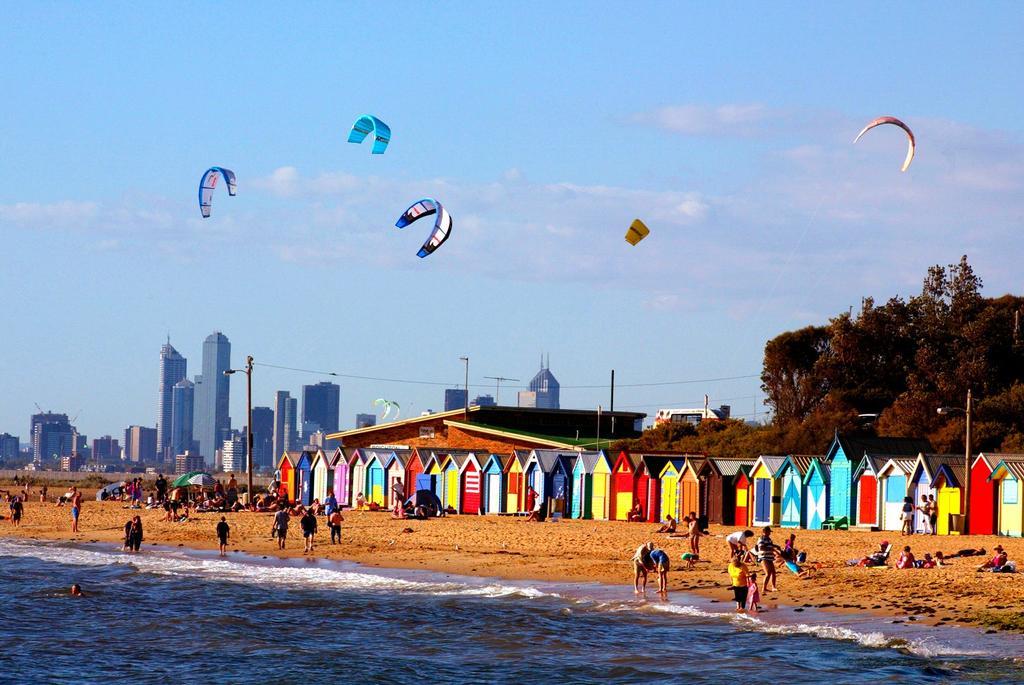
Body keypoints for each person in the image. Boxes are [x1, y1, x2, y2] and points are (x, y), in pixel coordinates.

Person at [754, 527, 780, 594]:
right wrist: (771, 549)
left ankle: (773, 587)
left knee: (773, 572)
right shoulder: (761, 539)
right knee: (768, 573)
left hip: (769, 557)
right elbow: (761, 548)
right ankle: (764, 588)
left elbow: (770, 545)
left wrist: (776, 546)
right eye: (768, 532)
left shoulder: (769, 539)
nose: (769, 533)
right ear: (764, 532)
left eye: (770, 532)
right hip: (763, 557)